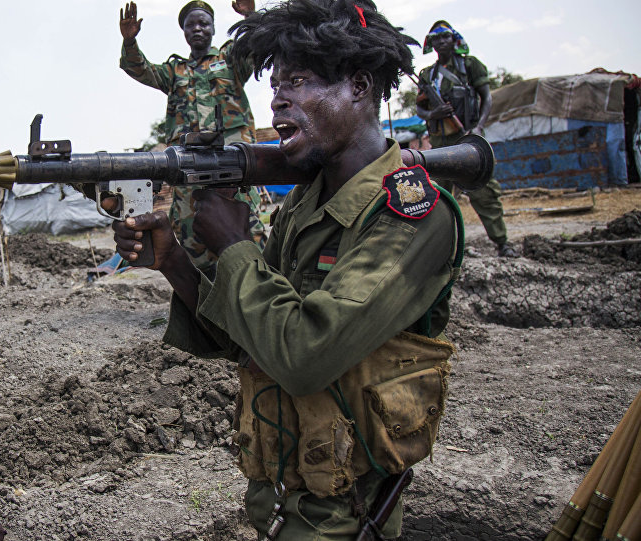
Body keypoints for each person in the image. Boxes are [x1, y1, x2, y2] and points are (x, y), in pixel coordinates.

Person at [110, 1, 463, 538]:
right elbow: (251, 341)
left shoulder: (411, 214)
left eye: (297, 81)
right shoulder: (305, 203)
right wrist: (175, 262)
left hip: (344, 515)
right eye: (275, 84)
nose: (277, 98)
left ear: (359, 87)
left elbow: (302, 357)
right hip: (279, 497)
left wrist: (235, 245)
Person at [119, 0, 264, 275]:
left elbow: (256, 47)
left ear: (213, 28)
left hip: (232, 162)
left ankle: (257, 280)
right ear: (184, 31)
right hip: (188, 167)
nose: (197, 28)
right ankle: (204, 288)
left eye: (203, 23)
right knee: (189, 230)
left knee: (245, 222)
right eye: (191, 24)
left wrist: (250, 17)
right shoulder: (175, 71)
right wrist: (129, 41)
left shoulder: (230, 59)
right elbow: (141, 70)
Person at [416, 20, 516, 257]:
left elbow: (486, 98)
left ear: (454, 39)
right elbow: (420, 108)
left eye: (445, 37)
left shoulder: (470, 66)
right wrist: (433, 114)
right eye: (436, 38)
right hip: (440, 144)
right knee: (437, 196)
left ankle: (502, 242)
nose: (441, 42)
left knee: (484, 192)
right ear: (431, 44)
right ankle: (440, 251)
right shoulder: (427, 75)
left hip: (467, 139)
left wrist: (479, 127)